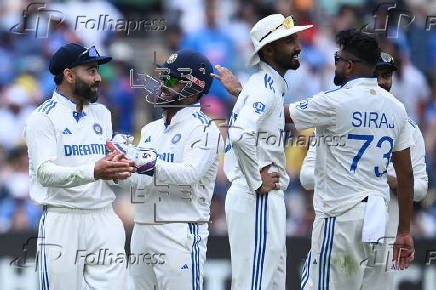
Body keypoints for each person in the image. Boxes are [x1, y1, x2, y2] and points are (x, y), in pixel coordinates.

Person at [213, 30, 416, 289]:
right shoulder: (396, 109)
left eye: (338, 58)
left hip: (340, 215)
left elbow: (277, 112)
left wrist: (241, 93)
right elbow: (406, 173)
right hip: (378, 219)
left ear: (350, 65)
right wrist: (404, 230)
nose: (335, 63)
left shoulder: (333, 102)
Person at [24, 43, 135, 290]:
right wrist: (93, 171)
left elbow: (107, 168)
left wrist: (123, 168)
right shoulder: (42, 118)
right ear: (69, 74)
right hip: (63, 218)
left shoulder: (102, 114)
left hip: (104, 217)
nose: (98, 78)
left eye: (97, 71)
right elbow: (44, 173)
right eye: (91, 71)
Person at [111, 49, 220, 290]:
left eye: (170, 80)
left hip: (180, 230)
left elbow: (189, 175)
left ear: (193, 88)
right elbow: (139, 182)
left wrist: (143, 160)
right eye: (163, 79)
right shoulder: (151, 130)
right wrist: (119, 167)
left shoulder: (205, 130)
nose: (162, 86)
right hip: (142, 229)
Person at [220, 14, 312, 289]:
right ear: (268, 50)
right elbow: (238, 134)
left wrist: (240, 92)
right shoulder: (264, 88)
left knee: (268, 281)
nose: (297, 46)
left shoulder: (264, 86)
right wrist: (256, 177)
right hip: (256, 196)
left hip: (258, 196)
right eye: (288, 41)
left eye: (295, 38)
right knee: (257, 283)